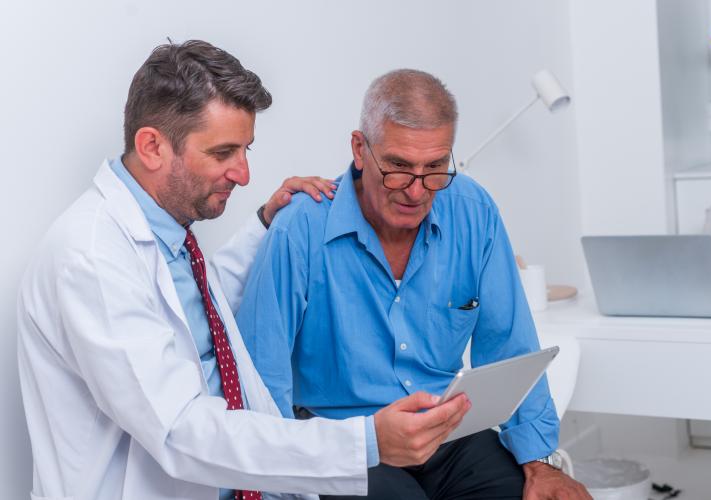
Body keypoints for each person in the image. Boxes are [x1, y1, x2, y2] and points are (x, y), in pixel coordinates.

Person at [17, 42, 470, 500]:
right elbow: (180, 431)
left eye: (245, 149)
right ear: (152, 146)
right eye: (223, 153)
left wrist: (263, 224)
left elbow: (192, 317)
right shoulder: (90, 258)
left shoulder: (167, 238)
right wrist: (365, 442)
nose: (244, 173)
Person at [235, 69, 591, 499]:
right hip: (345, 439)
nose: (417, 191)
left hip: (446, 430)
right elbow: (261, 376)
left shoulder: (473, 212)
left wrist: (539, 462)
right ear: (360, 149)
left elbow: (510, 344)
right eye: (399, 168)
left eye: (435, 167)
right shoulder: (301, 227)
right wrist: (277, 483)